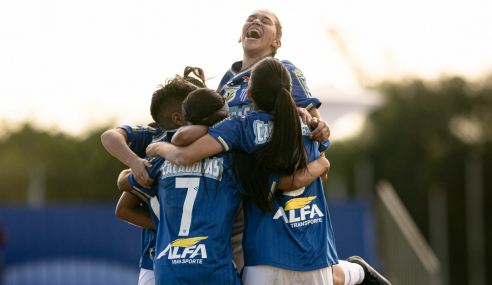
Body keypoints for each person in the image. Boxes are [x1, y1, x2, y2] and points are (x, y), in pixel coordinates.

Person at [147, 58, 390, 285]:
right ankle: (355, 271)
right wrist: (321, 163)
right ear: (289, 91)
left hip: (265, 255)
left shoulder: (241, 128)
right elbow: (312, 170)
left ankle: (355, 271)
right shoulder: (309, 124)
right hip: (315, 253)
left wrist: (158, 146)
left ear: (249, 93)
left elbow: (183, 152)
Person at [117, 87, 330, 285]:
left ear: (185, 118)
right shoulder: (234, 162)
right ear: (223, 120)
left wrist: (141, 163)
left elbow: (123, 183)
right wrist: (322, 162)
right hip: (214, 269)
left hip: (167, 270)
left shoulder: (162, 158)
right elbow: (288, 183)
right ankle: (353, 272)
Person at [216, 9, 331, 272]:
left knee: (272, 263)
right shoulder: (227, 78)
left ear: (276, 42)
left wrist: (320, 128)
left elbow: (314, 123)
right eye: (251, 19)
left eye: (265, 21)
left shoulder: (283, 69)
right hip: (230, 182)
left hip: (266, 182)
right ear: (240, 35)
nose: (256, 21)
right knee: (229, 264)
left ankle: (352, 272)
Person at [101, 68, 207, 285]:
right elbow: (109, 136)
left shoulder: (206, 140)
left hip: (193, 254)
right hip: (167, 254)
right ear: (178, 116)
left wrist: (127, 174)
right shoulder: (155, 138)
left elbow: (123, 196)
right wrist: (134, 162)